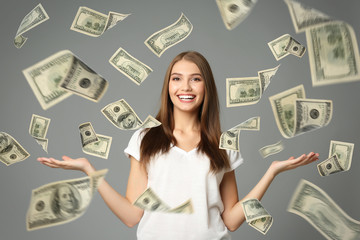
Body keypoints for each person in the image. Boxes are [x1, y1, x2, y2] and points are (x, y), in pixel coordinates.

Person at [38, 51, 319, 240]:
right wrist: (89, 170)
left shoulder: (225, 144)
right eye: (177, 78)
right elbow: (131, 216)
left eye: (195, 79)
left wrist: (271, 172)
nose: (185, 87)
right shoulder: (144, 138)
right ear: (168, 86)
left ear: (206, 87)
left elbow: (231, 220)